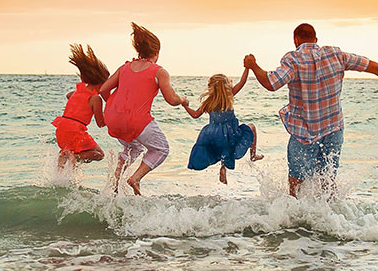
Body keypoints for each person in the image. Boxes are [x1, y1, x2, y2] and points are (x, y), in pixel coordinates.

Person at [244, 23, 378, 197]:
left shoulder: (293, 60)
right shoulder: (336, 55)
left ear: (296, 40)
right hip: (333, 129)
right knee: (327, 182)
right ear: (316, 39)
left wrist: (253, 65)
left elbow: (271, 83)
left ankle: (296, 214)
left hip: (304, 134)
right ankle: (331, 213)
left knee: (296, 187)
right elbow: (376, 68)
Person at [99, 22, 188, 195]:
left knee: (133, 148)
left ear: (139, 51)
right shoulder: (159, 71)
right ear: (156, 52)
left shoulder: (124, 68)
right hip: (136, 120)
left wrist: (114, 107)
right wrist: (183, 100)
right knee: (161, 149)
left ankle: (115, 181)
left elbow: (103, 89)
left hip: (113, 118)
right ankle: (135, 178)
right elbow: (171, 99)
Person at [183, 69, 264, 184]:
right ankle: (252, 156)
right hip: (229, 133)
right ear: (226, 86)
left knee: (222, 146)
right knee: (251, 128)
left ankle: (223, 168)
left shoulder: (209, 101)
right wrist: (247, 68)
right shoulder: (229, 96)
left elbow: (195, 115)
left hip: (212, 134)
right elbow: (242, 81)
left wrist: (185, 106)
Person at [51, 44, 109, 168]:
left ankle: (66, 160)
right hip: (75, 130)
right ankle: (74, 157)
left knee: (72, 150)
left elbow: (68, 95)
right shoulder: (96, 99)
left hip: (61, 128)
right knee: (99, 154)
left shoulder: (77, 91)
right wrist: (112, 118)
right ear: (102, 83)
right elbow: (100, 123)